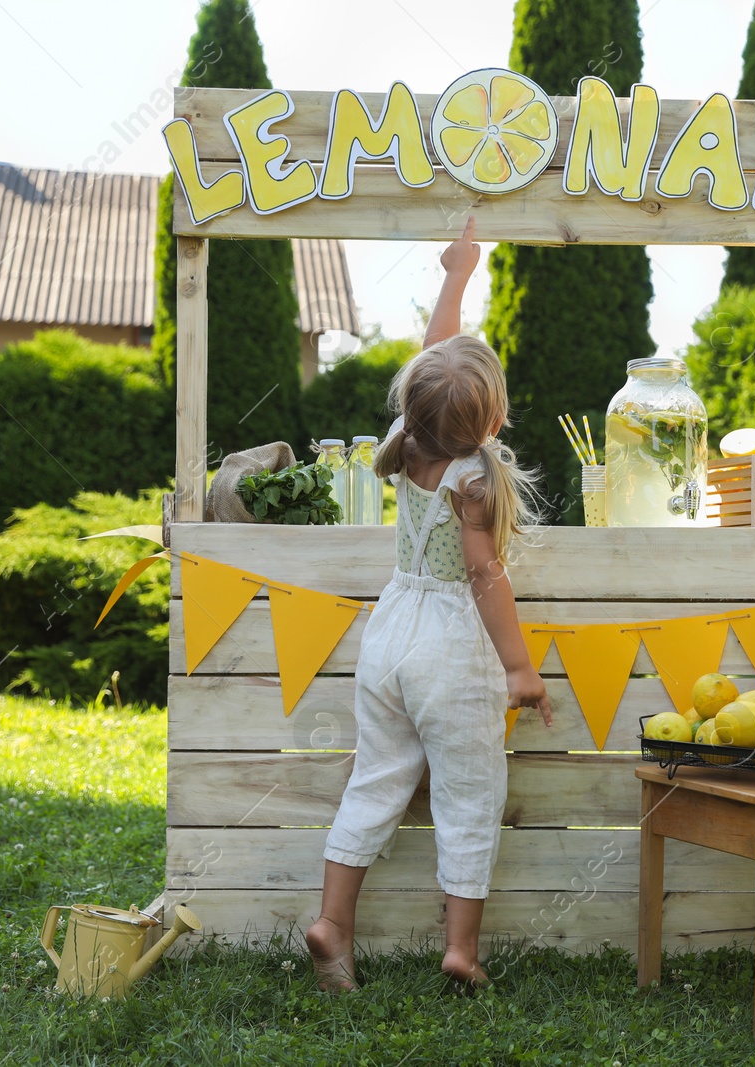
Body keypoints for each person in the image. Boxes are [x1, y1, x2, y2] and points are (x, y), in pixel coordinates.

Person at [305, 217, 553, 992]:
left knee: (374, 782)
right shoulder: (475, 478)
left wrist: (456, 274)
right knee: (471, 794)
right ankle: (460, 950)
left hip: (389, 637)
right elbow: (485, 577)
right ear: (489, 420)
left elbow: (433, 355)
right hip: (451, 645)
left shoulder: (407, 441)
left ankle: (331, 925)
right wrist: (520, 667)